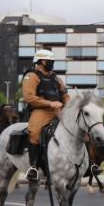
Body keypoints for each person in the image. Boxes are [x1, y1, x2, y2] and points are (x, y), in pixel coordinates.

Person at [22, 49, 69, 181]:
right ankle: (33, 167)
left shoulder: (56, 78)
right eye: (48, 61)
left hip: (58, 110)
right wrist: (49, 103)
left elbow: (65, 94)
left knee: (77, 128)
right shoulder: (31, 76)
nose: (51, 63)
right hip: (41, 110)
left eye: (52, 61)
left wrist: (70, 105)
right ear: (40, 61)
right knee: (34, 133)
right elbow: (29, 97)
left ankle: (87, 164)